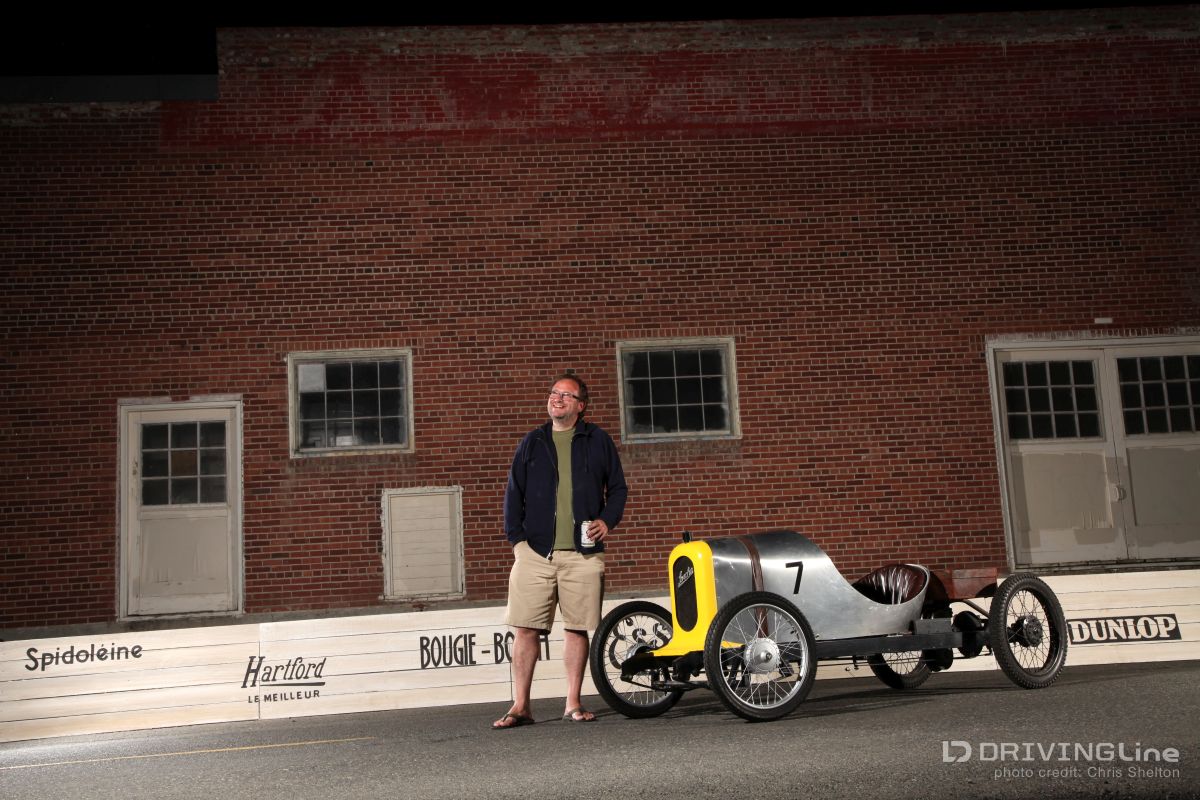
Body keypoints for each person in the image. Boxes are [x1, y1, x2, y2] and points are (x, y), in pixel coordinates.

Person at [492, 372, 627, 729]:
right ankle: (520, 705)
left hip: (583, 555)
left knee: (577, 629)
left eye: (566, 395)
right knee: (525, 628)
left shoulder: (597, 440)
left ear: (581, 406)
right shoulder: (533, 441)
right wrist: (517, 541)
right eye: (554, 392)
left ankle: (573, 702)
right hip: (535, 553)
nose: (557, 398)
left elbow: (618, 488)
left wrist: (607, 521)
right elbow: (513, 492)